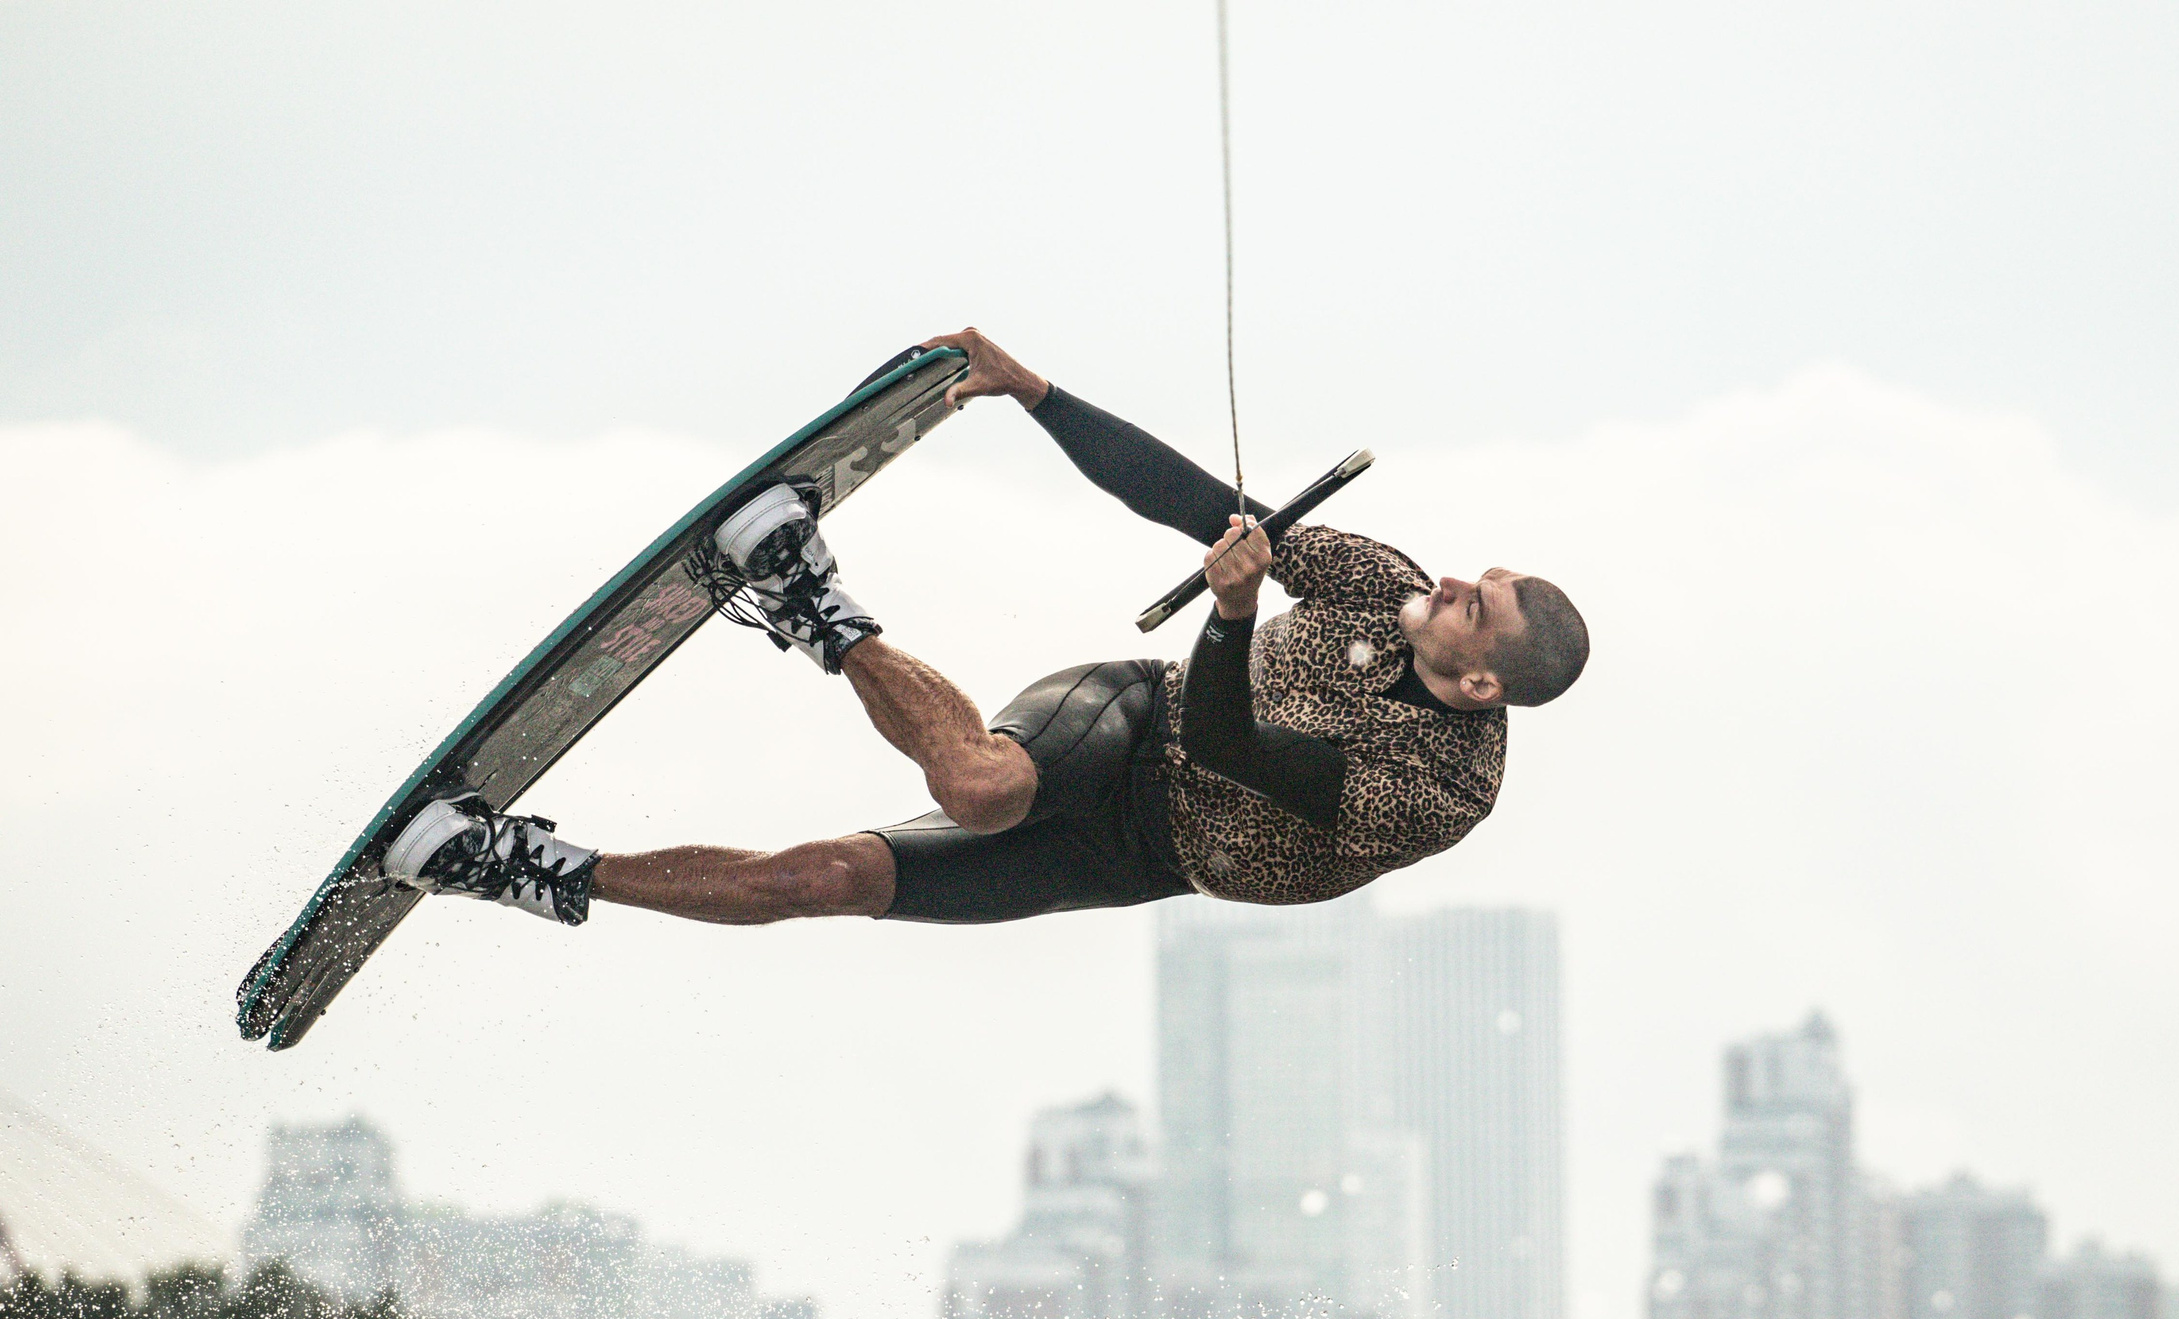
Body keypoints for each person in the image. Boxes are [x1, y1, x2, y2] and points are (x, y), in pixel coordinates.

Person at [379, 328, 1590, 929]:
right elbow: (1192, 504)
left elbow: (1243, 758)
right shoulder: (1381, 579)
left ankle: (506, 864)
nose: (1445, 588)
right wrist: (1038, 395)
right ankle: (804, 592)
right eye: (1465, 578)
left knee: (827, 880)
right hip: (1131, 723)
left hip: (1144, 857)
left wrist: (1231, 612)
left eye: (1471, 607)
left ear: (1480, 683)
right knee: (977, 788)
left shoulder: (1437, 788)